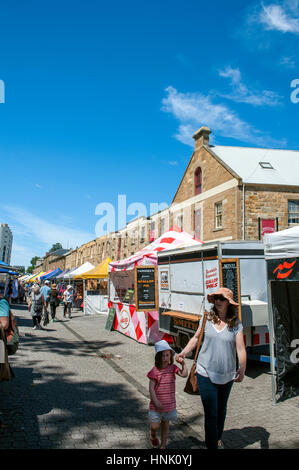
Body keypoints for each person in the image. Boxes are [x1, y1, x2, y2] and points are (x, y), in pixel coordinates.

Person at [176, 287, 247, 450]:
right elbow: (195, 338)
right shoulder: (207, 319)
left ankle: (218, 438)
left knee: (221, 410)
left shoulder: (236, 324)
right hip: (204, 372)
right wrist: (183, 352)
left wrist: (242, 369)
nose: (218, 301)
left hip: (227, 375)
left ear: (229, 303)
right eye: (216, 298)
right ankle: (211, 445)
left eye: (222, 299)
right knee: (211, 413)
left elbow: (241, 349)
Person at [147, 340, 188, 449]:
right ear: (158, 357)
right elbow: (151, 388)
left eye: (167, 355)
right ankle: (153, 434)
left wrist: (183, 364)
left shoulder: (173, 368)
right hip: (156, 406)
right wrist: (155, 401)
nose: (166, 357)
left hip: (168, 405)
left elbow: (184, 375)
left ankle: (163, 446)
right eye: (163, 355)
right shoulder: (154, 371)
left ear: (170, 356)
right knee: (155, 426)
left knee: (165, 425)